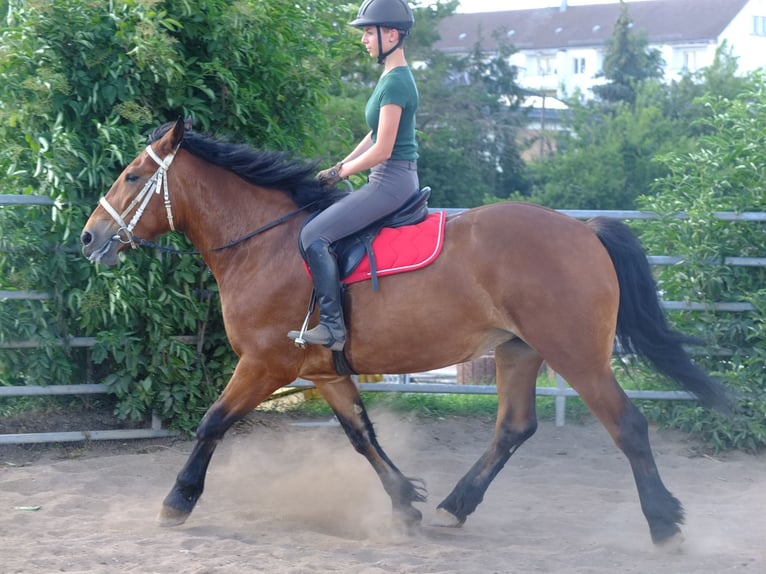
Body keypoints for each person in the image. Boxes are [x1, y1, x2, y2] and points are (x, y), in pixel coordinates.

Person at [288, 0, 420, 352]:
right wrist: (339, 165)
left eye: (368, 33)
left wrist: (341, 171)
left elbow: (383, 150)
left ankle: (332, 327)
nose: (364, 40)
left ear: (391, 34)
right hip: (386, 178)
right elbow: (373, 135)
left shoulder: (396, 84)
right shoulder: (389, 77)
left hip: (390, 182)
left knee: (313, 234)